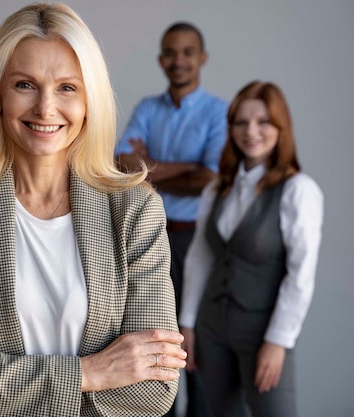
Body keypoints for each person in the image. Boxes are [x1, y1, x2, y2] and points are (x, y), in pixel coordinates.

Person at [0, 3, 186, 417]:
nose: (46, 108)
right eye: (24, 85)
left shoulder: (135, 210)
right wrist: (90, 371)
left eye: (67, 87)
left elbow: (152, 394)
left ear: (91, 100)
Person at [179, 81, 324, 417]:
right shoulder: (217, 189)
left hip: (263, 330)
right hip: (211, 327)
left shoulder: (298, 190)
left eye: (263, 122)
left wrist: (278, 342)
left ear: (280, 127)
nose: (251, 132)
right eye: (241, 122)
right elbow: (200, 257)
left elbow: (300, 275)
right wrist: (188, 323)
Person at [115, 21, 227, 417]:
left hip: (197, 241)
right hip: (150, 235)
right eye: (170, 52)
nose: (178, 60)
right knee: (153, 339)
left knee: (196, 347)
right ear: (161, 59)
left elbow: (210, 179)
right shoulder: (147, 108)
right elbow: (118, 165)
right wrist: (186, 168)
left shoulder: (218, 112)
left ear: (202, 58)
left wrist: (148, 167)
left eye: (187, 52)